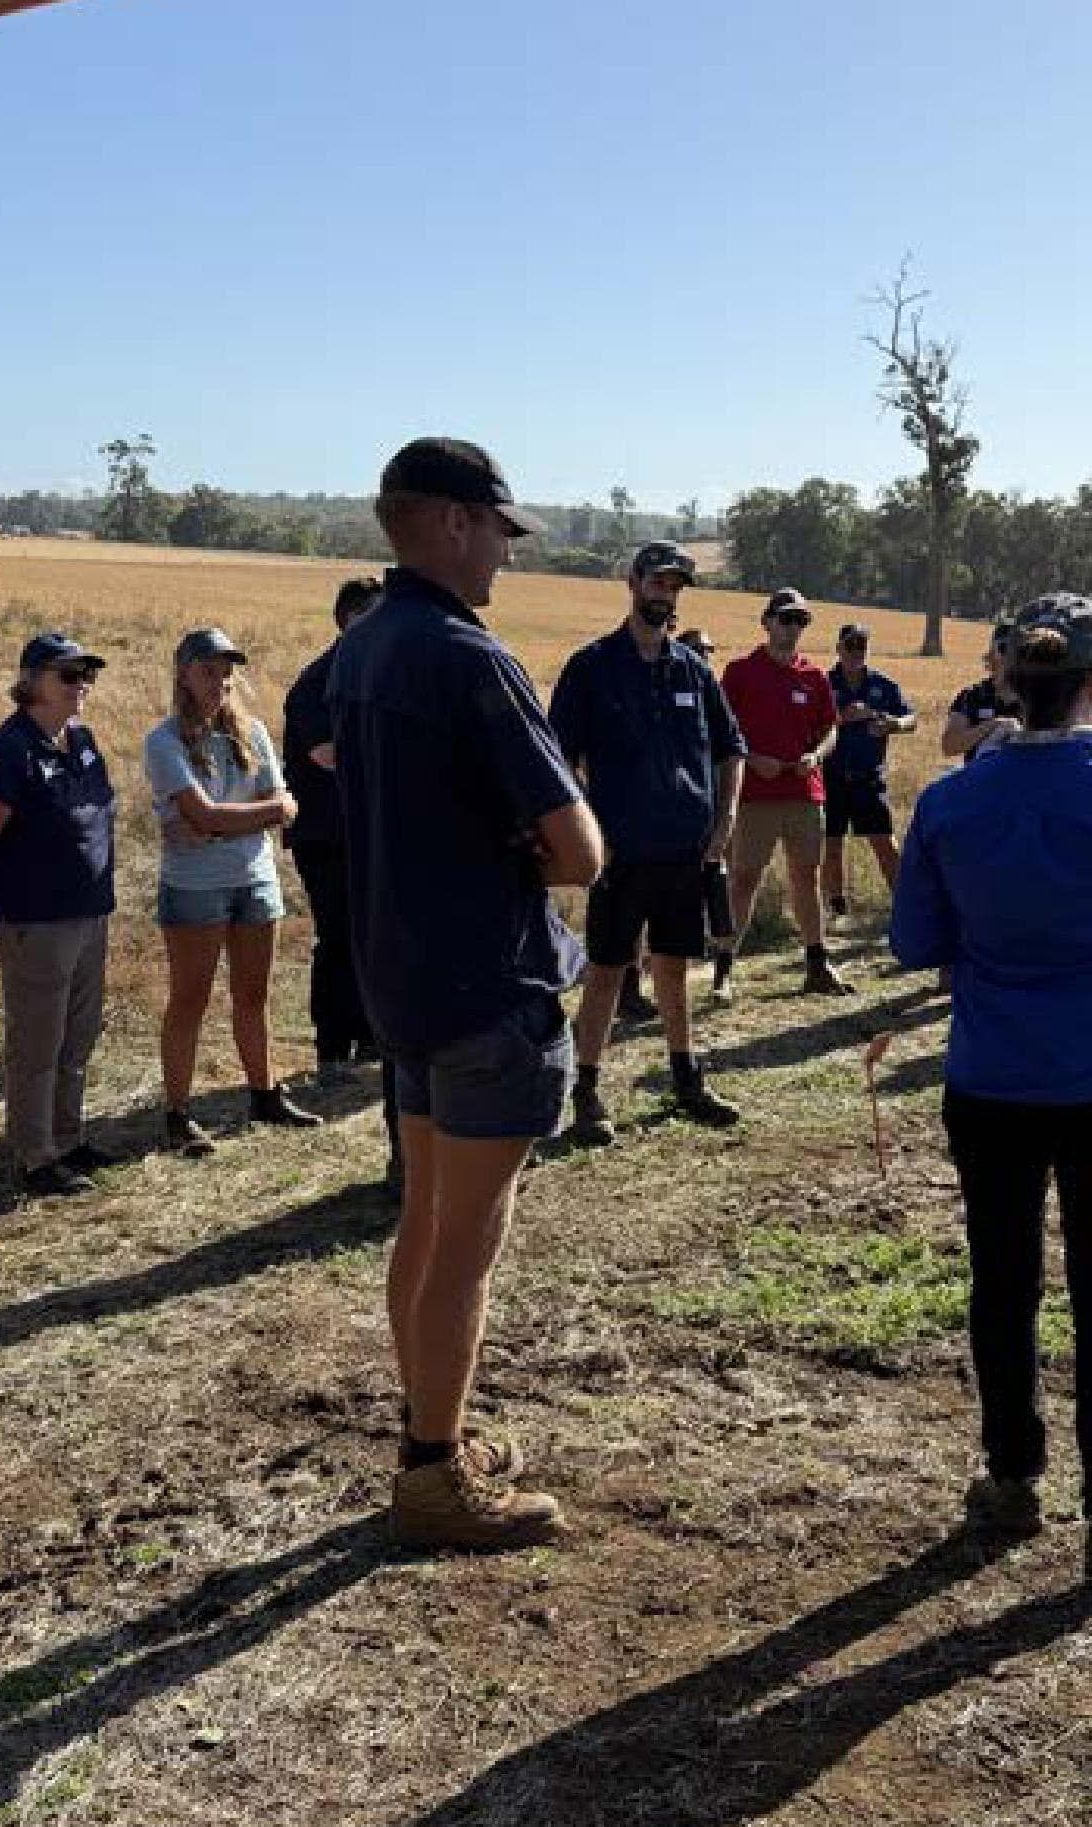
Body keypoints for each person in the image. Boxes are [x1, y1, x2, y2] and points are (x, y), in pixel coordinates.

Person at [890, 591, 1092, 1594]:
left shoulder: (949, 802)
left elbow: (914, 944)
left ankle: (1012, 1476)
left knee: (1003, 1281)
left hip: (991, 1078)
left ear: (1004, 683)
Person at [331, 435, 604, 1553]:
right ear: (449, 521)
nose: (504, 551)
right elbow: (580, 849)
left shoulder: (359, 651)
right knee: (467, 1247)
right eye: (498, 528)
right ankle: (435, 1474)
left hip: (400, 978)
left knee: (424, 1224)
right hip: (493, 984)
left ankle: (427, 1427)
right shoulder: (468, 656)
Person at [548, 540, 745, 1145]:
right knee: (606, 971)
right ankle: (585, 1090)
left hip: (686, 851)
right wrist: (587, 836)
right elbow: (559, 759)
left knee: (675, 967)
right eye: (657, 583)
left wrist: (724, 821)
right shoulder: (593, 666)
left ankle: (686, 1078)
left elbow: (729, 749)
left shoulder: (692, 669)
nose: (666, 595)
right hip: (620, 855)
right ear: (632, 583)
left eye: (675, 587)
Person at [143, 627, 319, 1154]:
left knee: (254, 994)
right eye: (207, 670)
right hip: (195, 887)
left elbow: (285, 804)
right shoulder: (165, 740)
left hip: (254, 880)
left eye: (226, 672)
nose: (220, 682)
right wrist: (257, 814)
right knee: (190, 999)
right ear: (183, 674)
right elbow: (207, 814)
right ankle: (177, 1112)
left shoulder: (254, 732)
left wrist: (228, 822)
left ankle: (263, 1093)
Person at [0, 631, 118, 1199]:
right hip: (34, 921)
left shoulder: (81, 739)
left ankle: (69, 1138)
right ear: (31, 683)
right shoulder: (8, 751)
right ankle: (34, 1154)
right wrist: (2, 910)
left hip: (89, 915)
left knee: (77, 1036)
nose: (81, 687)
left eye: (86, 676)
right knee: (37, 1043)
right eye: (68, 675)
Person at [715, 589, 850, 1001]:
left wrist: (815, 754)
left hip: (805, 793)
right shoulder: (739, 673)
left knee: (806, 876)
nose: (792, 628)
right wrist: (752, 759)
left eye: (800, 621)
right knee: (743, 879)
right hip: (754, 794)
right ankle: (723, 970)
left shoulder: (815, 677)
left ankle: (816, 963)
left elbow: (831, 728)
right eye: (785, 618)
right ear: (767, 621)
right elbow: (721, 732)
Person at [282, 577, 384, 1071]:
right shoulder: (315, 684)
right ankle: (331, 1044)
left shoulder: (381, 676)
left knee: (372, 934)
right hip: (324, 835)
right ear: (350, 620)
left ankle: (368, 1036)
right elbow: (328, 756)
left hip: (370, 833)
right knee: (340, 936)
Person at [820, 620, 917, 915]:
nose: (855, 652)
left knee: (885, 845)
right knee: (832, 848)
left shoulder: (882, 684)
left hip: (869, 779)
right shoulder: (823, 684)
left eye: (861, 646)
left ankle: (906, 907)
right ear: (838, 648)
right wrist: (840, 718)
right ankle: (836, 909)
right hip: (831, 778)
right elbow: (806, 726)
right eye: (850, 645)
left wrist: (890, 722)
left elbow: (910, 719)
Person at [942, 627, 1022, 760]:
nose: (1005, 660)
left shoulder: (1032, 696)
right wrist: (991, 725)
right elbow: (950, 746)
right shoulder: (973, 695)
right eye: (1001, 651)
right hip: (979, 776)